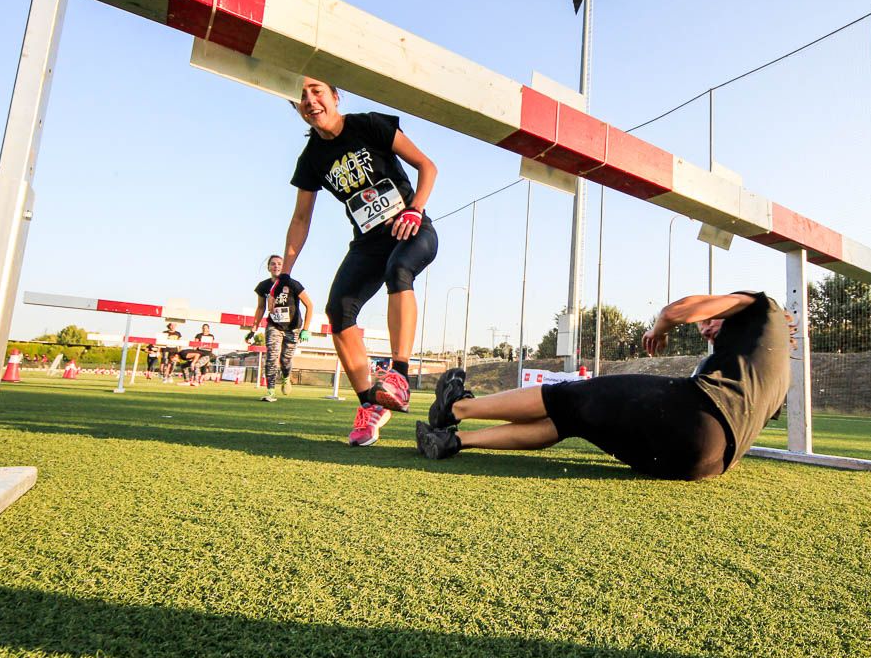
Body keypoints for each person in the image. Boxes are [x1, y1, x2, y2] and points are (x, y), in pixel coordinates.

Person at [416, 292, 793, 481]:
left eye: (711, 320)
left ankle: (456, 408)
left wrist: (661, 327)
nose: (707, 329)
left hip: (697, 419)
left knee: (570, 394)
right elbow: (765, 414)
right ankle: (455, 442)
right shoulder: (765, 370)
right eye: (703, 328)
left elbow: (674, 312)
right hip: (705, 465)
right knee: (574, 420)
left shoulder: (763, 306)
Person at [277, 76, 438, 446]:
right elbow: (301, 219)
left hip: (411, 229)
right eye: (302, 96)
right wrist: (284, 276)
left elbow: (427, 166)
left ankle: (398, 374)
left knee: (399, 270)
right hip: (368, 243)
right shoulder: (312, 158)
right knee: (338, 310)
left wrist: (415, 210)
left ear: (335, 96)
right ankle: (369, 405)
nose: (309, 100)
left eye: (316, 91)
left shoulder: (368, 124)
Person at [248, 255, 314, 403]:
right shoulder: (263, 286)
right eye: (273, 264)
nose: (276, 266)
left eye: (279, 264)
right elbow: (260, 307)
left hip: (292, 327)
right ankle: (270, 390)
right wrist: (253, 329)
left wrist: (306, 329)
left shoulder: (293, 284)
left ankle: (286, 377)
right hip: (274, 325)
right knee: (271, 357)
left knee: (285, 359)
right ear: (268, 267)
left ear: (284, 267)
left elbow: (309, 305)